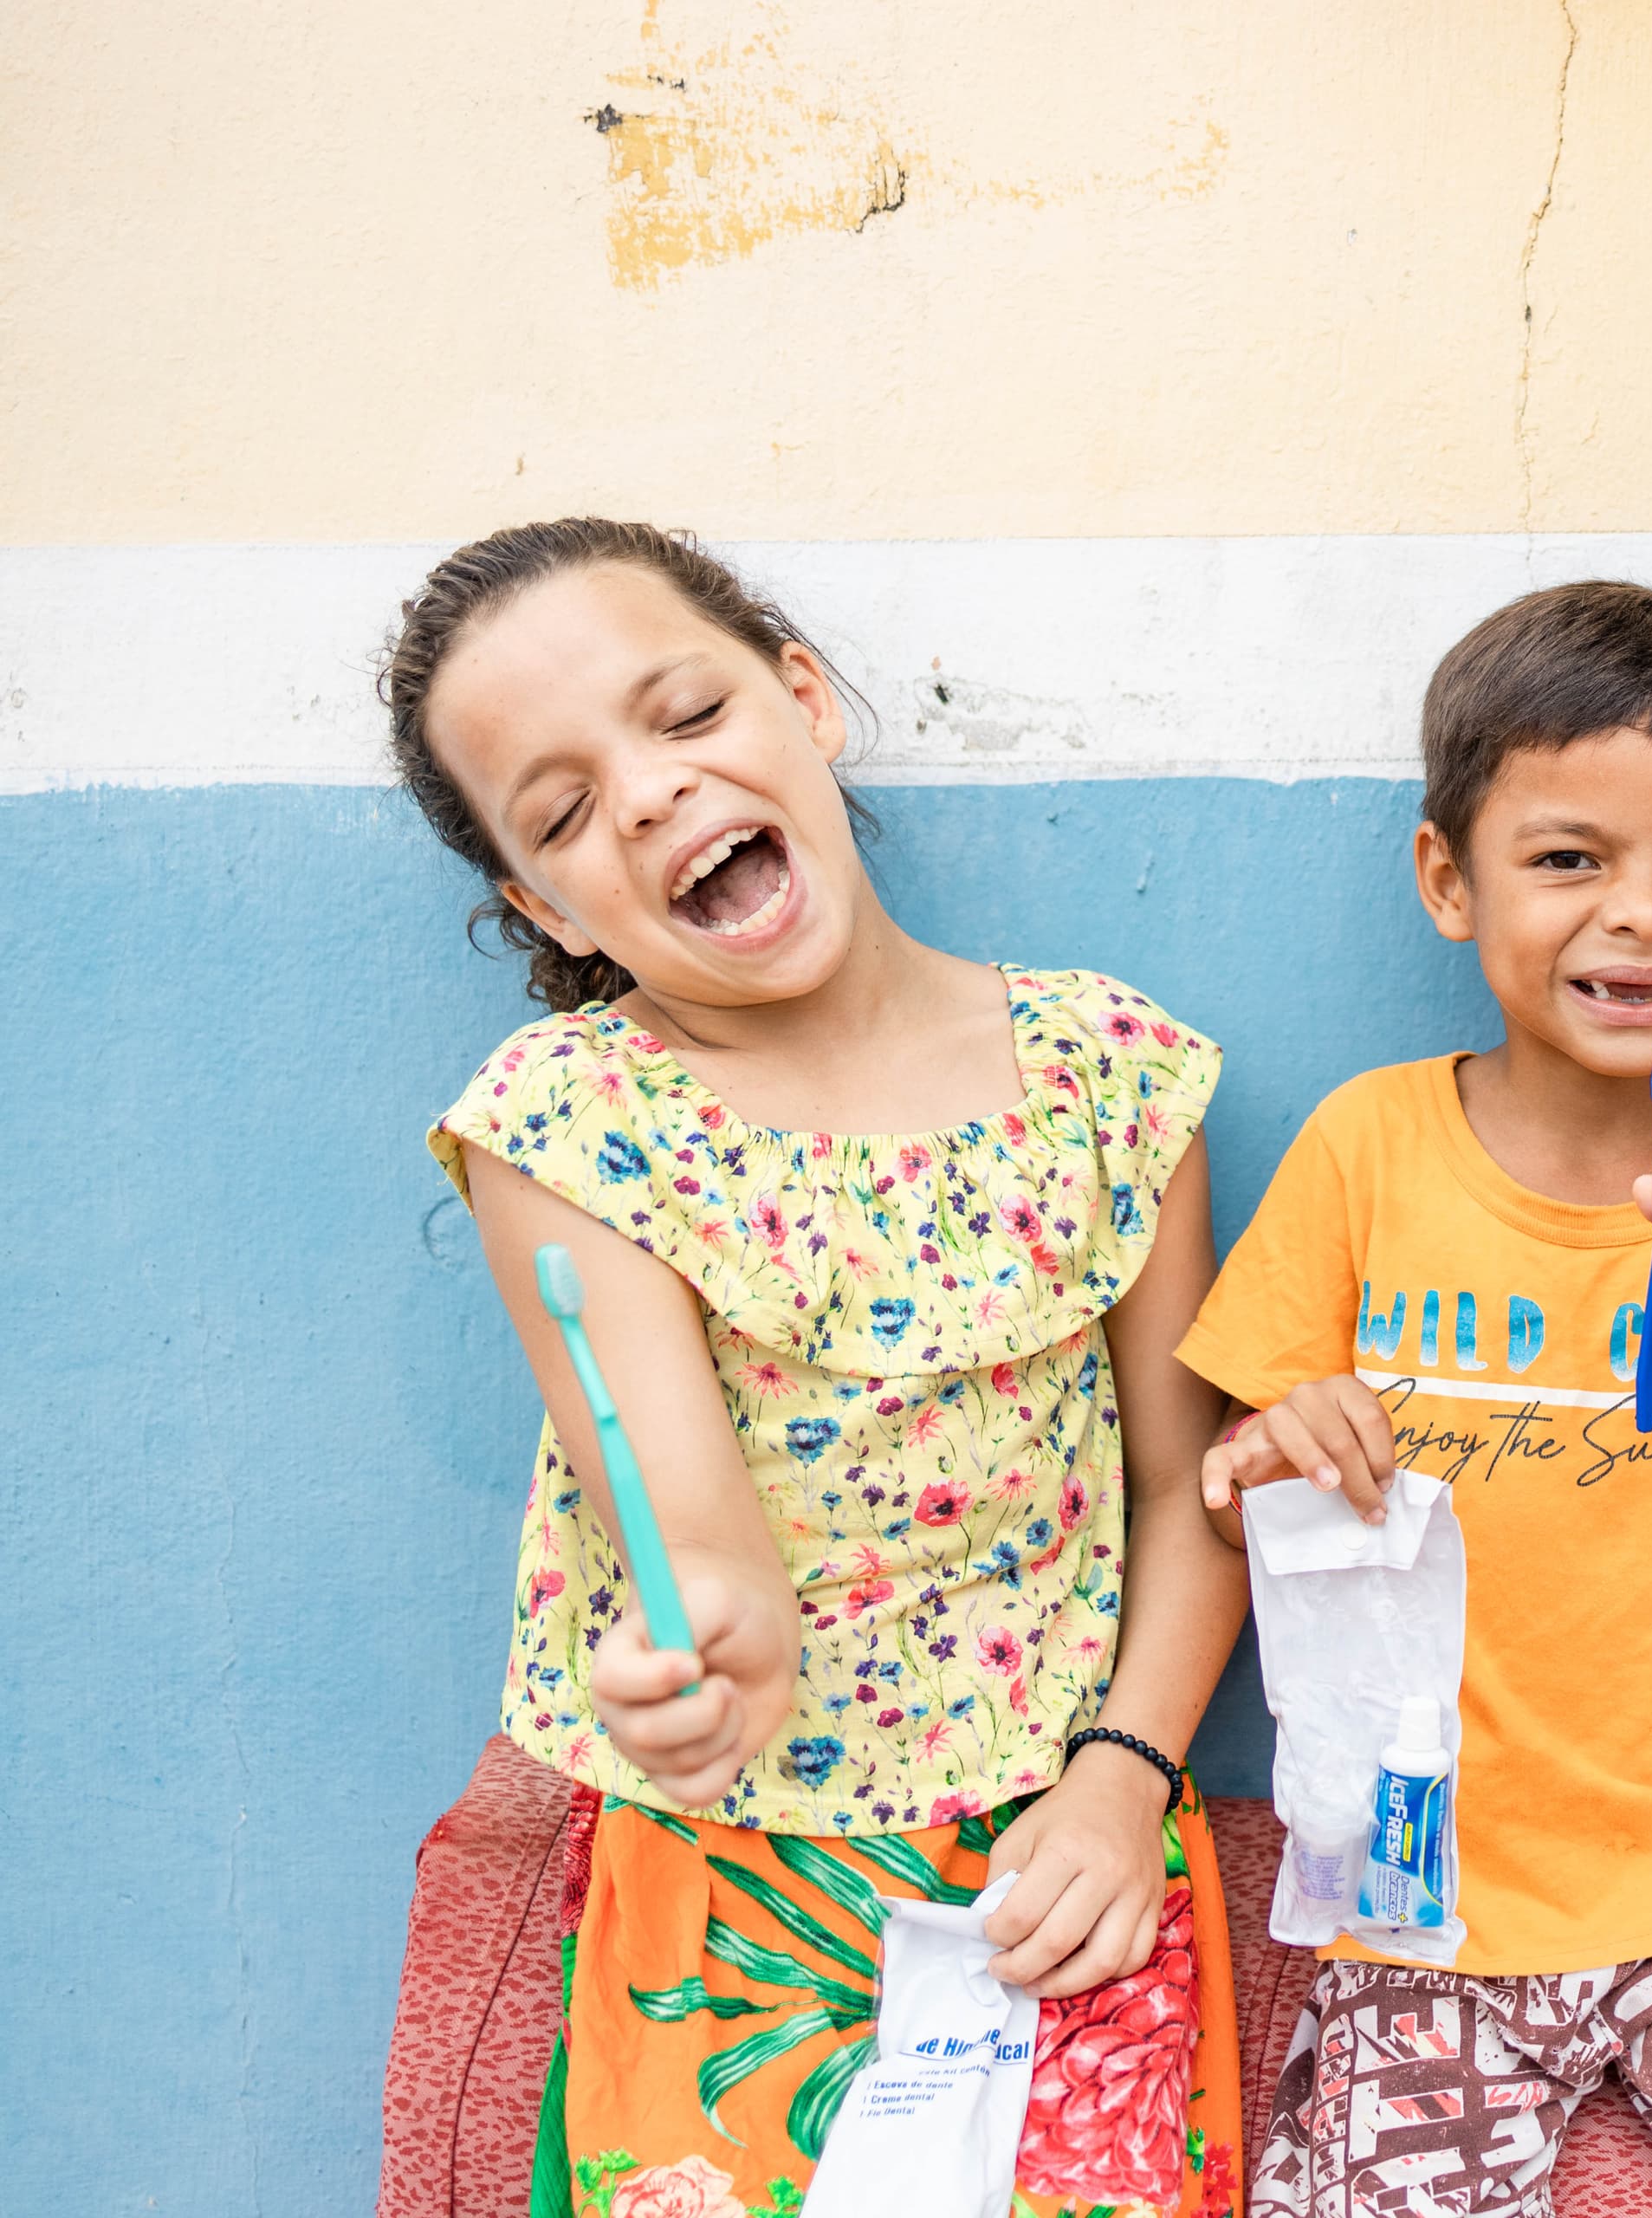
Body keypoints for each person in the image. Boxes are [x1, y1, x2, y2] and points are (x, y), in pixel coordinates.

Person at [392, 520, 1249, 2218]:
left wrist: (1120, 1779)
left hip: (1063, 1858)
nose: (640, 794)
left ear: (804, 700)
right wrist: (702, 1660)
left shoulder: (1112, 1071)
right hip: (735, 1909)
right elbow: (699, 1552)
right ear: (539, 901)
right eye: (560, 812)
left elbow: (1189, 1490)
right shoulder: (568, 1128)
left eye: (685, 713)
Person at [1178, 582, 1652, 2218]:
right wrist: (1274, 1450)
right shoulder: (1368, 1149)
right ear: (1451, 880)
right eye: (1570, 858)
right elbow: (1227, 1487)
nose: (1644, 915)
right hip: (1418, 1895)